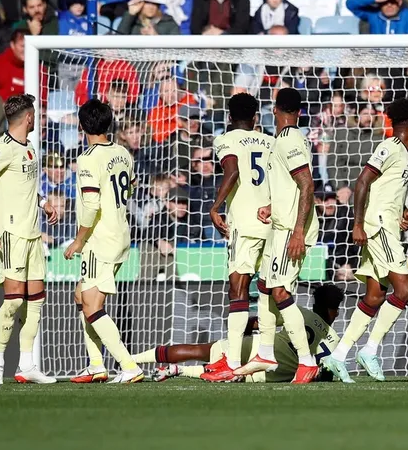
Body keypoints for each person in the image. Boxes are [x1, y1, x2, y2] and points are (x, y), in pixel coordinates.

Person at [322, 98, 408, 383]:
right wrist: (358, 223)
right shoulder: (389, 146)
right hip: (378, 227)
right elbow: (362, 181)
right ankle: (370, 350)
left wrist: (403, 212)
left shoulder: (406, 155)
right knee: (404, 290)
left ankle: (338, 355)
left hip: (387, 224)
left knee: (375, 296)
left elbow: (387, 191)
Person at [233, 88, 320, 384]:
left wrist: (298, 231)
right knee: (265, 285)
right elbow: (292, 185)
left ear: (274, 109)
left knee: (280, 290)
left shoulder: (289, 140)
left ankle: (307, 361)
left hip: (290, 230)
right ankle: (266, 352)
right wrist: (272, 206)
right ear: (298, 111)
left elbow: (307, 185)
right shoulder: (282, 140)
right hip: (280, 225)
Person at [0, 94, 58, 384]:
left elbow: (25, 186)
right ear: (29, 118)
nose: (36, 119)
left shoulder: (30, 147)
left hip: (33, 235)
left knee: (35, 301)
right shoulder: (2, 148)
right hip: (9, 235)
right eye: (35, 114)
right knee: (13, 302)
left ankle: (26, 365)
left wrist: (44, 201)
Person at [63, 99, 144, 384]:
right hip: (121, 234)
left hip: (100, 240)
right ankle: (96, 364)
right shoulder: (123, 152)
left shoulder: (88, 158)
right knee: (82, 298)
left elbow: (91, 204)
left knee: (92, 306)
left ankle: (129, 365)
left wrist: (78, 241)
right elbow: (131, 189)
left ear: (83, 125)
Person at [133, 284, 344, 383]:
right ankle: (176, 371)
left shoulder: (298, 312)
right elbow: (322, 374)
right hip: (272, 374)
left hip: (257, 348)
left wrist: (240, 329)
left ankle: (131, 361)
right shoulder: (334, 341)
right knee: (232, 376)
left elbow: (258, 323)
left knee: (198, 350)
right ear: (334, 309)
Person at [202, 93, 273, 381]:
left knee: (238, 290)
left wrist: (216, 206)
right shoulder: (270, 141)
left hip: (243, 224)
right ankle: (265, 352)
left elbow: (231, 171)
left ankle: (232, 362)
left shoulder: (226, 139)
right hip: (271, 222)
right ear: (256, 117)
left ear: (230, 117)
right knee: (267, 288)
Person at [115, 0, 180, 35]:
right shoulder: (133, 22)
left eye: (155, 4)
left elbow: (177, 49)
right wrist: (130, 14)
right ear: (141, 4)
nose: (151, 7)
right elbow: (117, 42)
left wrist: (156, 38)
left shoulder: (169, 23)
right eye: (147, 3)